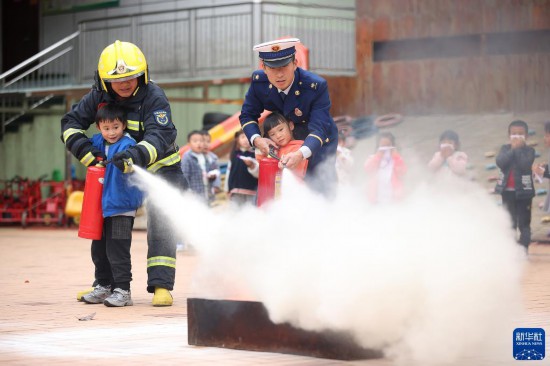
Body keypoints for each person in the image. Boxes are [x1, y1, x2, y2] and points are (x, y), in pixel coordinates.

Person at [61, 40, 187, 306]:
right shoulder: (97, 97)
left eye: (132, 77)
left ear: (143, 74)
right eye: (118, 80)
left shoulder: (154, 96)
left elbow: (160, 135)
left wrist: (135, 156)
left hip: (159, 169)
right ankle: (105, 284)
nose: (126, 83)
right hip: (117, 174)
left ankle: (161, 286)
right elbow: (70, 124)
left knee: (162, 224)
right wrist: (89, 155)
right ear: (104, 81)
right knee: (105, 228)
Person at [239, 38, 338, 193]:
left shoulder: (315, 86)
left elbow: (319, 128)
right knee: (281, 187)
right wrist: (257, 140)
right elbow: (247, 115)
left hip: (316, 139)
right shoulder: (259, 83)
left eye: (284, 66)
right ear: (263, 67)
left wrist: (301, 153)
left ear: (295, 63)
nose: (279, 74)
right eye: (272, 68)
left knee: (319, 183)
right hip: (284, 137)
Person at [81, 104, 143, 307]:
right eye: (106, 128)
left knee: (118, 250)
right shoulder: (96, 142)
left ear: (123, 125)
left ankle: (123, 291)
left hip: (121, 207)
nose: (111, 132)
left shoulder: (129, 145)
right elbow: (81, 143)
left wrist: (125, 162)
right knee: (98, 249)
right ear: (99, 127)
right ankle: (103, 285)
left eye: (115, 127)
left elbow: (134, 164)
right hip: (100, 207)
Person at [495, 120, 535, 251]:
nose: (517, 137)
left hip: (524, 192)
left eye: (520, 134)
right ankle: (511, 250)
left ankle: (523, 248)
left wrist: (517, 150)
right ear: (509, 135)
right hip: (507, 192)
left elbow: (525, 164)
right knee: (509, 222)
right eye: (514, 134)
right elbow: (500, 162)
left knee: (524, 222)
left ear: (526, 136)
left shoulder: (530, 150)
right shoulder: (505, 149)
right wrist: (513, 149)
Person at [257, 111, 308, 178]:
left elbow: (298, 174)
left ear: (290, 126)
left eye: (281, 129)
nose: (278, 136)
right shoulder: (273, 150)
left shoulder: (300, 149)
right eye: (272, 134)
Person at [364, 132, 406, 204]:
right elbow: (368, 169)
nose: (385, 148)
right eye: (383, 146)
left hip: (393, 197)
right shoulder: (373, 157)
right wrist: (378, 156)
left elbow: (402, 172)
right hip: (376, 197)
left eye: (388, 145)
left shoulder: (396, 158)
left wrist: (396, 157)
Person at [181, 130, 219, 203]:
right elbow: (185, 176)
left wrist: (212, 176)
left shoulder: (205, 156)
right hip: (194, 195)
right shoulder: (187, 157)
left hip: (206, 193)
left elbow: (212, 170)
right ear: (189, 144)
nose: (198, 143)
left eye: (201, 141)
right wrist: (188, 192)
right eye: (195, 141)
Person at [225, 130, 259, 206]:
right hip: (235, 191)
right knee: (235, 213)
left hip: (251, 191)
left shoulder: (255, 155)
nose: (246, 140)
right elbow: (228, 172)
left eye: (248, 137)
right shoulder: (234, 155)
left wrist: (251, 166)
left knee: (250, 212)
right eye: (243, 137)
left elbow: (258, 174)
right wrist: (227, 189)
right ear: (238, 140)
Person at [200, 130, 221, 203]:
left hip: (210, 189)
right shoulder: (195, 157)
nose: (206, 144)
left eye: (208, 142)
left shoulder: (213, 157)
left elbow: (217, 171)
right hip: (199, 189)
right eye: (203, 141)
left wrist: (216, 186)